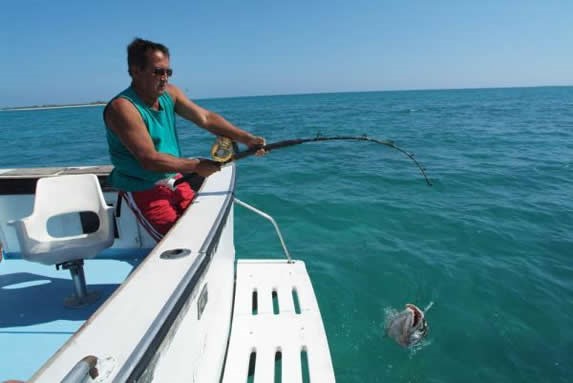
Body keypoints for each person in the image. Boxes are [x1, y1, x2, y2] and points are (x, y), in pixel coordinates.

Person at [104, 37, 265, 241]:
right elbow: (148, 159)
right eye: (157, 72)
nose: (164, 78)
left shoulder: (170, 94)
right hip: (142, 189)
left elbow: (205, 118)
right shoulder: (123, 108)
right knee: (177, 243)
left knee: (205, 230)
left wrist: (247, 139)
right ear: (135, 71)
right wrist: (196, 166)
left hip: (176, 180)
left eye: (167, 72)